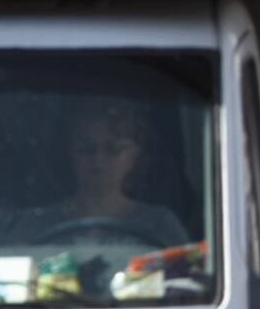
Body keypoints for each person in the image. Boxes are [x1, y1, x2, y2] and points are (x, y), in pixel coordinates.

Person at [14, 99, 190, 251]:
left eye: (113, 149)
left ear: (133, 157)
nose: (98, 161)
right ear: (68, 154)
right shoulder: (38, 224)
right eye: (86, 149)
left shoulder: (160, 225)